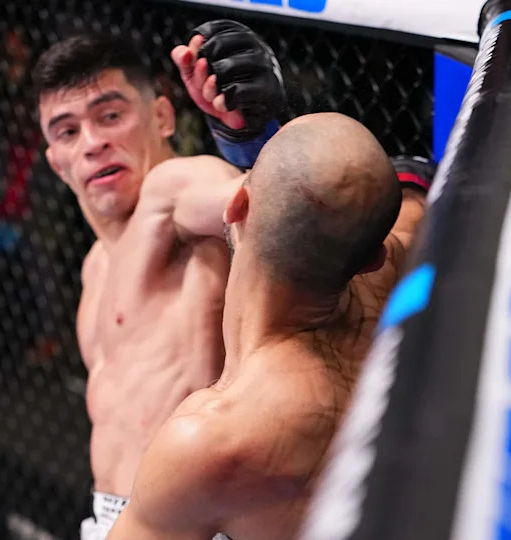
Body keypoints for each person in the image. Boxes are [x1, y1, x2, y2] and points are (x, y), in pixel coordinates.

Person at [106, 112, 432, 540]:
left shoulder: (211, 441)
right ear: (373, 256)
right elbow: (415, 190)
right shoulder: (389, 276)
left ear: (237, 205)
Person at [30, 21, 288, 539]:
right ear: (56, 161)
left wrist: (250, 141)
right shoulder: (95, 267)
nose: (93, 143)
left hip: (195, 523)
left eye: (110, 115)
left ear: (162, 115)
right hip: (109, 518)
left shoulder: (173, 194)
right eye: (68, 130)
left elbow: (266, 209)